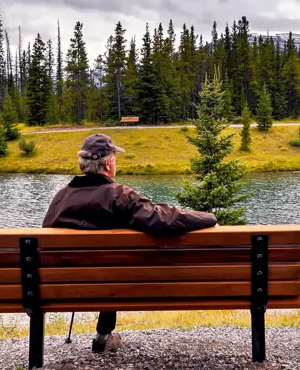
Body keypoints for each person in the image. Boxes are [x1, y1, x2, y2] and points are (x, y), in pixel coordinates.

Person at [42, 133, 218, 354]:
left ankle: (90, 338)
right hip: (112, 283)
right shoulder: (120, 196)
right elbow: (162, 220)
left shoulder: (61, 197)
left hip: (62, 284)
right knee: (110, 271)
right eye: (115, 157)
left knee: (106, 269)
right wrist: (208, 217)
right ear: (108, 164)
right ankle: (103, 335)